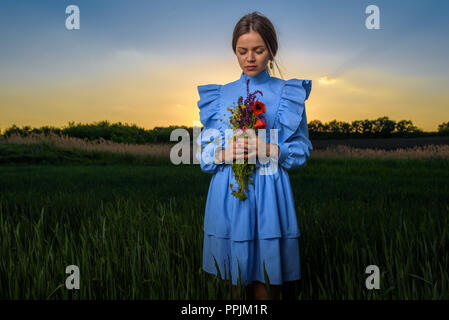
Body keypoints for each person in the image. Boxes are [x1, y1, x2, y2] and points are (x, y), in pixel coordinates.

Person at [195, 11, 313, 300]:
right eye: (242, 51)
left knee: (266, 280)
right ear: (234, 51)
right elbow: (203, 154)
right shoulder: (220, 96)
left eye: (258, 50)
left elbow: (302, 149)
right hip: (230, 193)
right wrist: (224, 153)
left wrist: (270, 149)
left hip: (271, 193)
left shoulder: (288, 94)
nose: (250, 58)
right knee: (234, 281)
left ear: (271, 51)